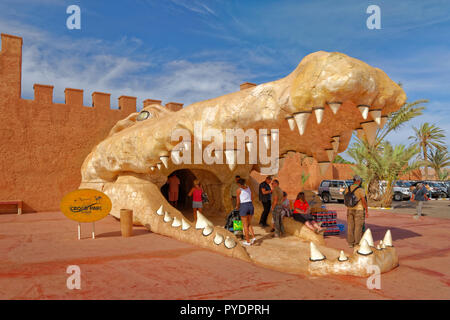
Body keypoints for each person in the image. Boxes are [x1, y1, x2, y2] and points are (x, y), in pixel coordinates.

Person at [343, 175, 369, 248]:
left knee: (350, 226)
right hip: (359, 210)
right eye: (360, 180)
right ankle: (357, 243)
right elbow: (363, 201)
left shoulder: (347, 188)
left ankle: (350, 243)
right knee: (358, 227)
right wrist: (366, 210)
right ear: (358, 181)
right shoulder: (360, 189)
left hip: (349, 209)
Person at [235, 178, 256, 246]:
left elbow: (238, 201)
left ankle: (248, 241)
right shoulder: (248, 188)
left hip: (244, 206)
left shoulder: (239, 190)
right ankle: (253, 237)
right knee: (249, 223)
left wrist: (237, 207)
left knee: (245, 225)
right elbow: (252, 197)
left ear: (239, 184)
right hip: (250, 205)